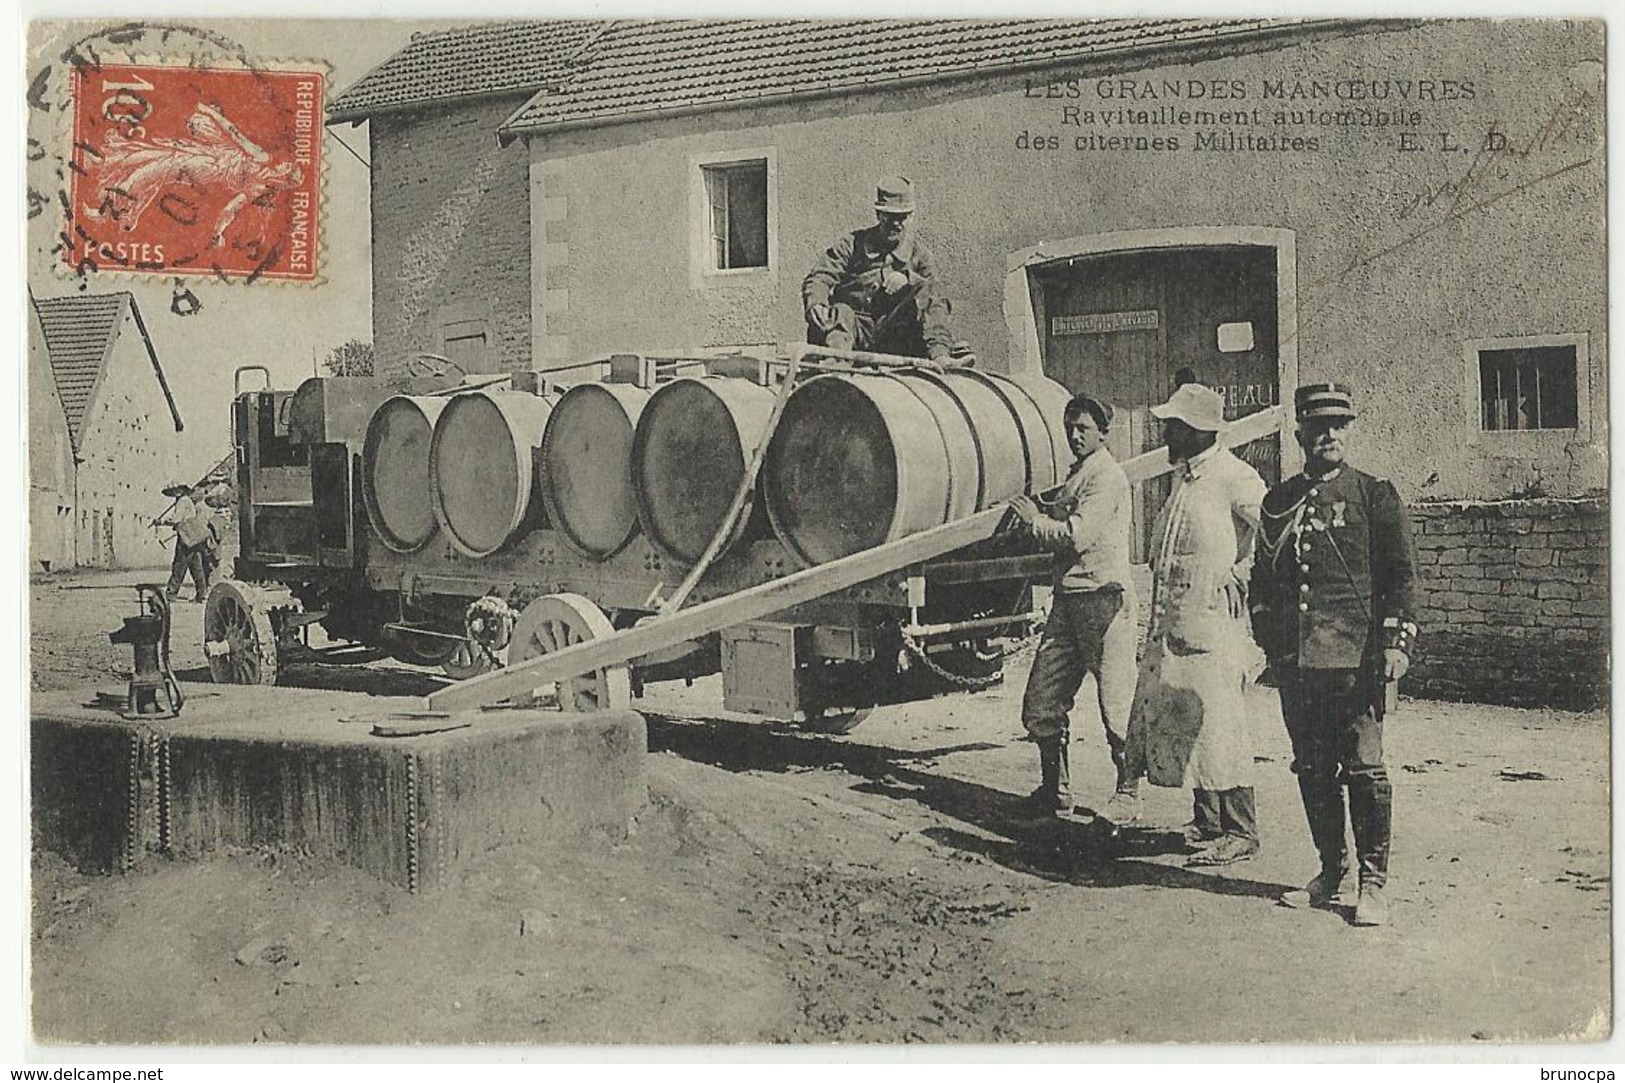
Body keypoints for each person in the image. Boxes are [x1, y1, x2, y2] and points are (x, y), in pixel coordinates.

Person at [1251, 383, 1419, 927]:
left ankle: (1374, 883)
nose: (1329, 434)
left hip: (1357, 660)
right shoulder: (1278, 502)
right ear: (1299, 433)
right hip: (1299, 666)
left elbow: (1401, 579)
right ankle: (1331, 870)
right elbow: (1263, 583)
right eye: (1318, 425)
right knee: (1313, 769)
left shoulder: (1375, 495)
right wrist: (1271, 645)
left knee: (1366, 770)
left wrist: (1396, 645)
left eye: (1339, 425)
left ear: (1350, 430)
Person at [1125, 382, 1267, 866]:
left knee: (1221, 723)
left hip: (1212, 624)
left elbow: (1273, 530)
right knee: (1188, 721)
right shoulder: (1185, 478)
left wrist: (1242, 575)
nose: (1166, 432)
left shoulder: (1234, 476)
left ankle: (1241, 829)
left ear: (1197, 431)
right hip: (1175, 621)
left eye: (1174, 426)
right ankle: (1207, 821)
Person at [1007, 394, 1139, 822]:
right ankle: (1055, 790)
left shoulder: (1107, 477)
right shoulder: (1078, 475)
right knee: (1041, 701)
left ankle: (1128, 793)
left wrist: (1034, 521)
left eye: (1083, 428)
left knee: (1117, 704)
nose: (1074, 435)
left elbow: (1076, 535)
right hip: (1069, 600)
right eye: (1070, 427)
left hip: (1104, 601)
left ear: (1103, 432)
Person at [802, 175, 967, 363]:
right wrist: (816, 303)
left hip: (894, 337)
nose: (895, 224)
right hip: (850, 332)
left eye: (902, 217)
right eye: (889, 217)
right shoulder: (853, 244)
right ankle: (837, 363)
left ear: (911, 217)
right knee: (841, 311)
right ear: (878, 215)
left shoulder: (920, 256)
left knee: (928, 291)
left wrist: (909, 280)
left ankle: (941, 356)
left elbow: (934, 300)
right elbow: (820, 276)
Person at [157, 483, 211, 602]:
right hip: (193, 538)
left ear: (181, 490)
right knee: (196, 567)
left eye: (176, 490)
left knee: (179, 565)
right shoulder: (186, 500)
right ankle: (202, 594)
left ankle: (171, 594)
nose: (174, 493)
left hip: (185, 538)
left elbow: (176, 519)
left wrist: (161, 521)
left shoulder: (182, 501)